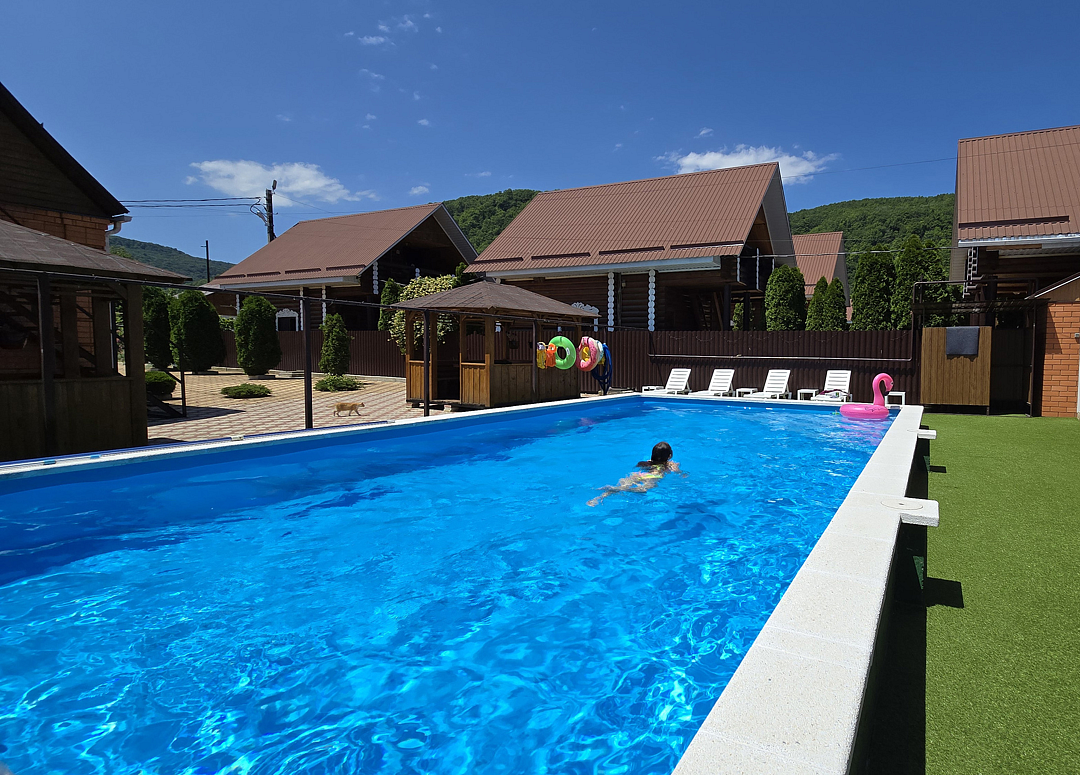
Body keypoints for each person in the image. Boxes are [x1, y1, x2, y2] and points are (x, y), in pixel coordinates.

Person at [587, 442, 683, 506]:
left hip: (638, 474)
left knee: (621, 486)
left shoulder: (647, 462)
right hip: (653, 476)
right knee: (644, 490)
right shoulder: (671, 464)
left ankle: (598, 498)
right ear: (669, 455)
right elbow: (678, 472)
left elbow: (639, 466)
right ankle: (621, 490)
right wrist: (683, 475)